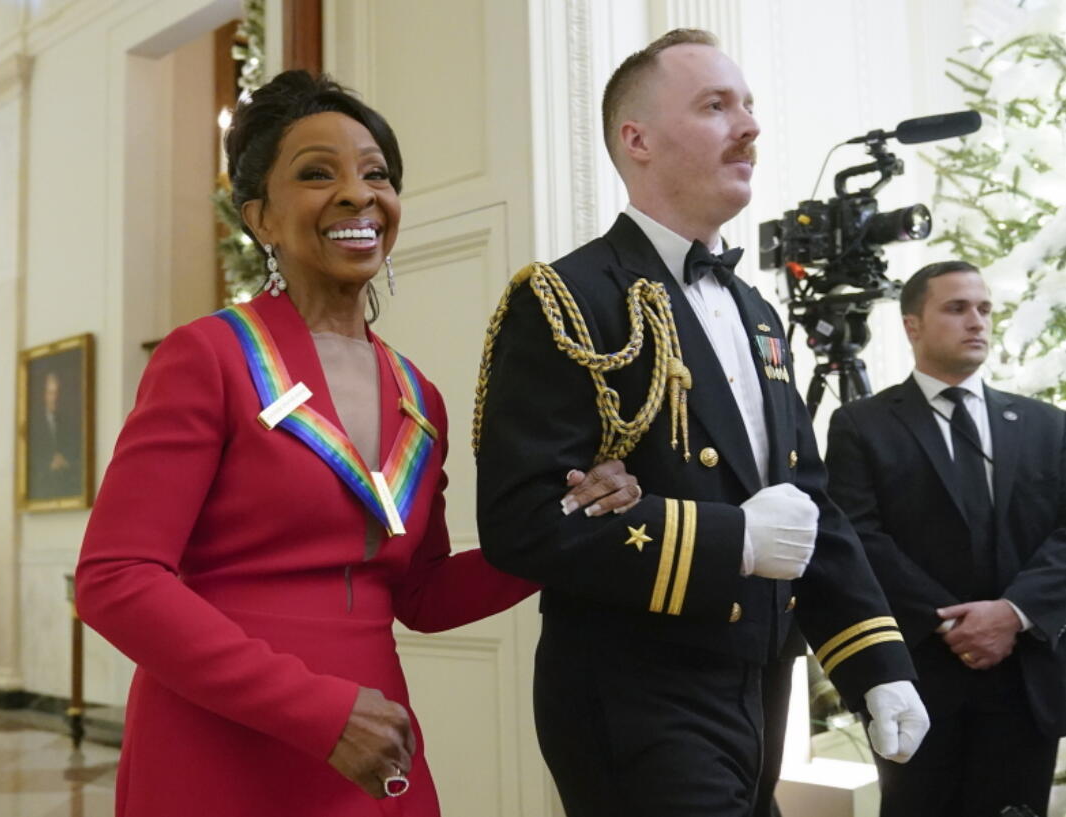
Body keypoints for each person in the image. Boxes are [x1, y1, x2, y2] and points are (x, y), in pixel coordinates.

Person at [74, 70, 641, 817]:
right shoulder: (207, 356)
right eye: (317, 174)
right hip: (219, 752)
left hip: (375, 753)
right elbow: (115, 578)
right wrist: (317, 711)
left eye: (377, 173)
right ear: (261, 218)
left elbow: (423, 594)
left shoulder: (419, 397)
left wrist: (570, 528)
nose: (357, 193)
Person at [474, 29, 930, 815]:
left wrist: (874, 657)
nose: (749, 126)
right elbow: (520, 522)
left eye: (749, 105)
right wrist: (735, 541)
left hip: (761, 691)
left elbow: (808, 503)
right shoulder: (564, 297)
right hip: (634, 694)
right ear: (637, 139)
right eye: (716, 106)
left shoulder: (757, 314)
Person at [826, 260, 1066, 817]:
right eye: (956, 308)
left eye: (983, 308)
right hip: (917, 675)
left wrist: (1012, 613)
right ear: (913, 326)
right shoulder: (862, 426)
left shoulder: (1046, 426)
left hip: (1023, 679)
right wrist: (957, 623)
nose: (976, 321)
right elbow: (860, 538)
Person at [29, 368, 81, 499]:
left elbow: (76, 458)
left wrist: (65, 462)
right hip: (43, 491)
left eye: (57, 393)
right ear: (44, 395)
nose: (55, 398)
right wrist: (49, 464)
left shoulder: (67, 424)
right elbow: (31, 465)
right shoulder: (34, 424)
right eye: (51, 393)